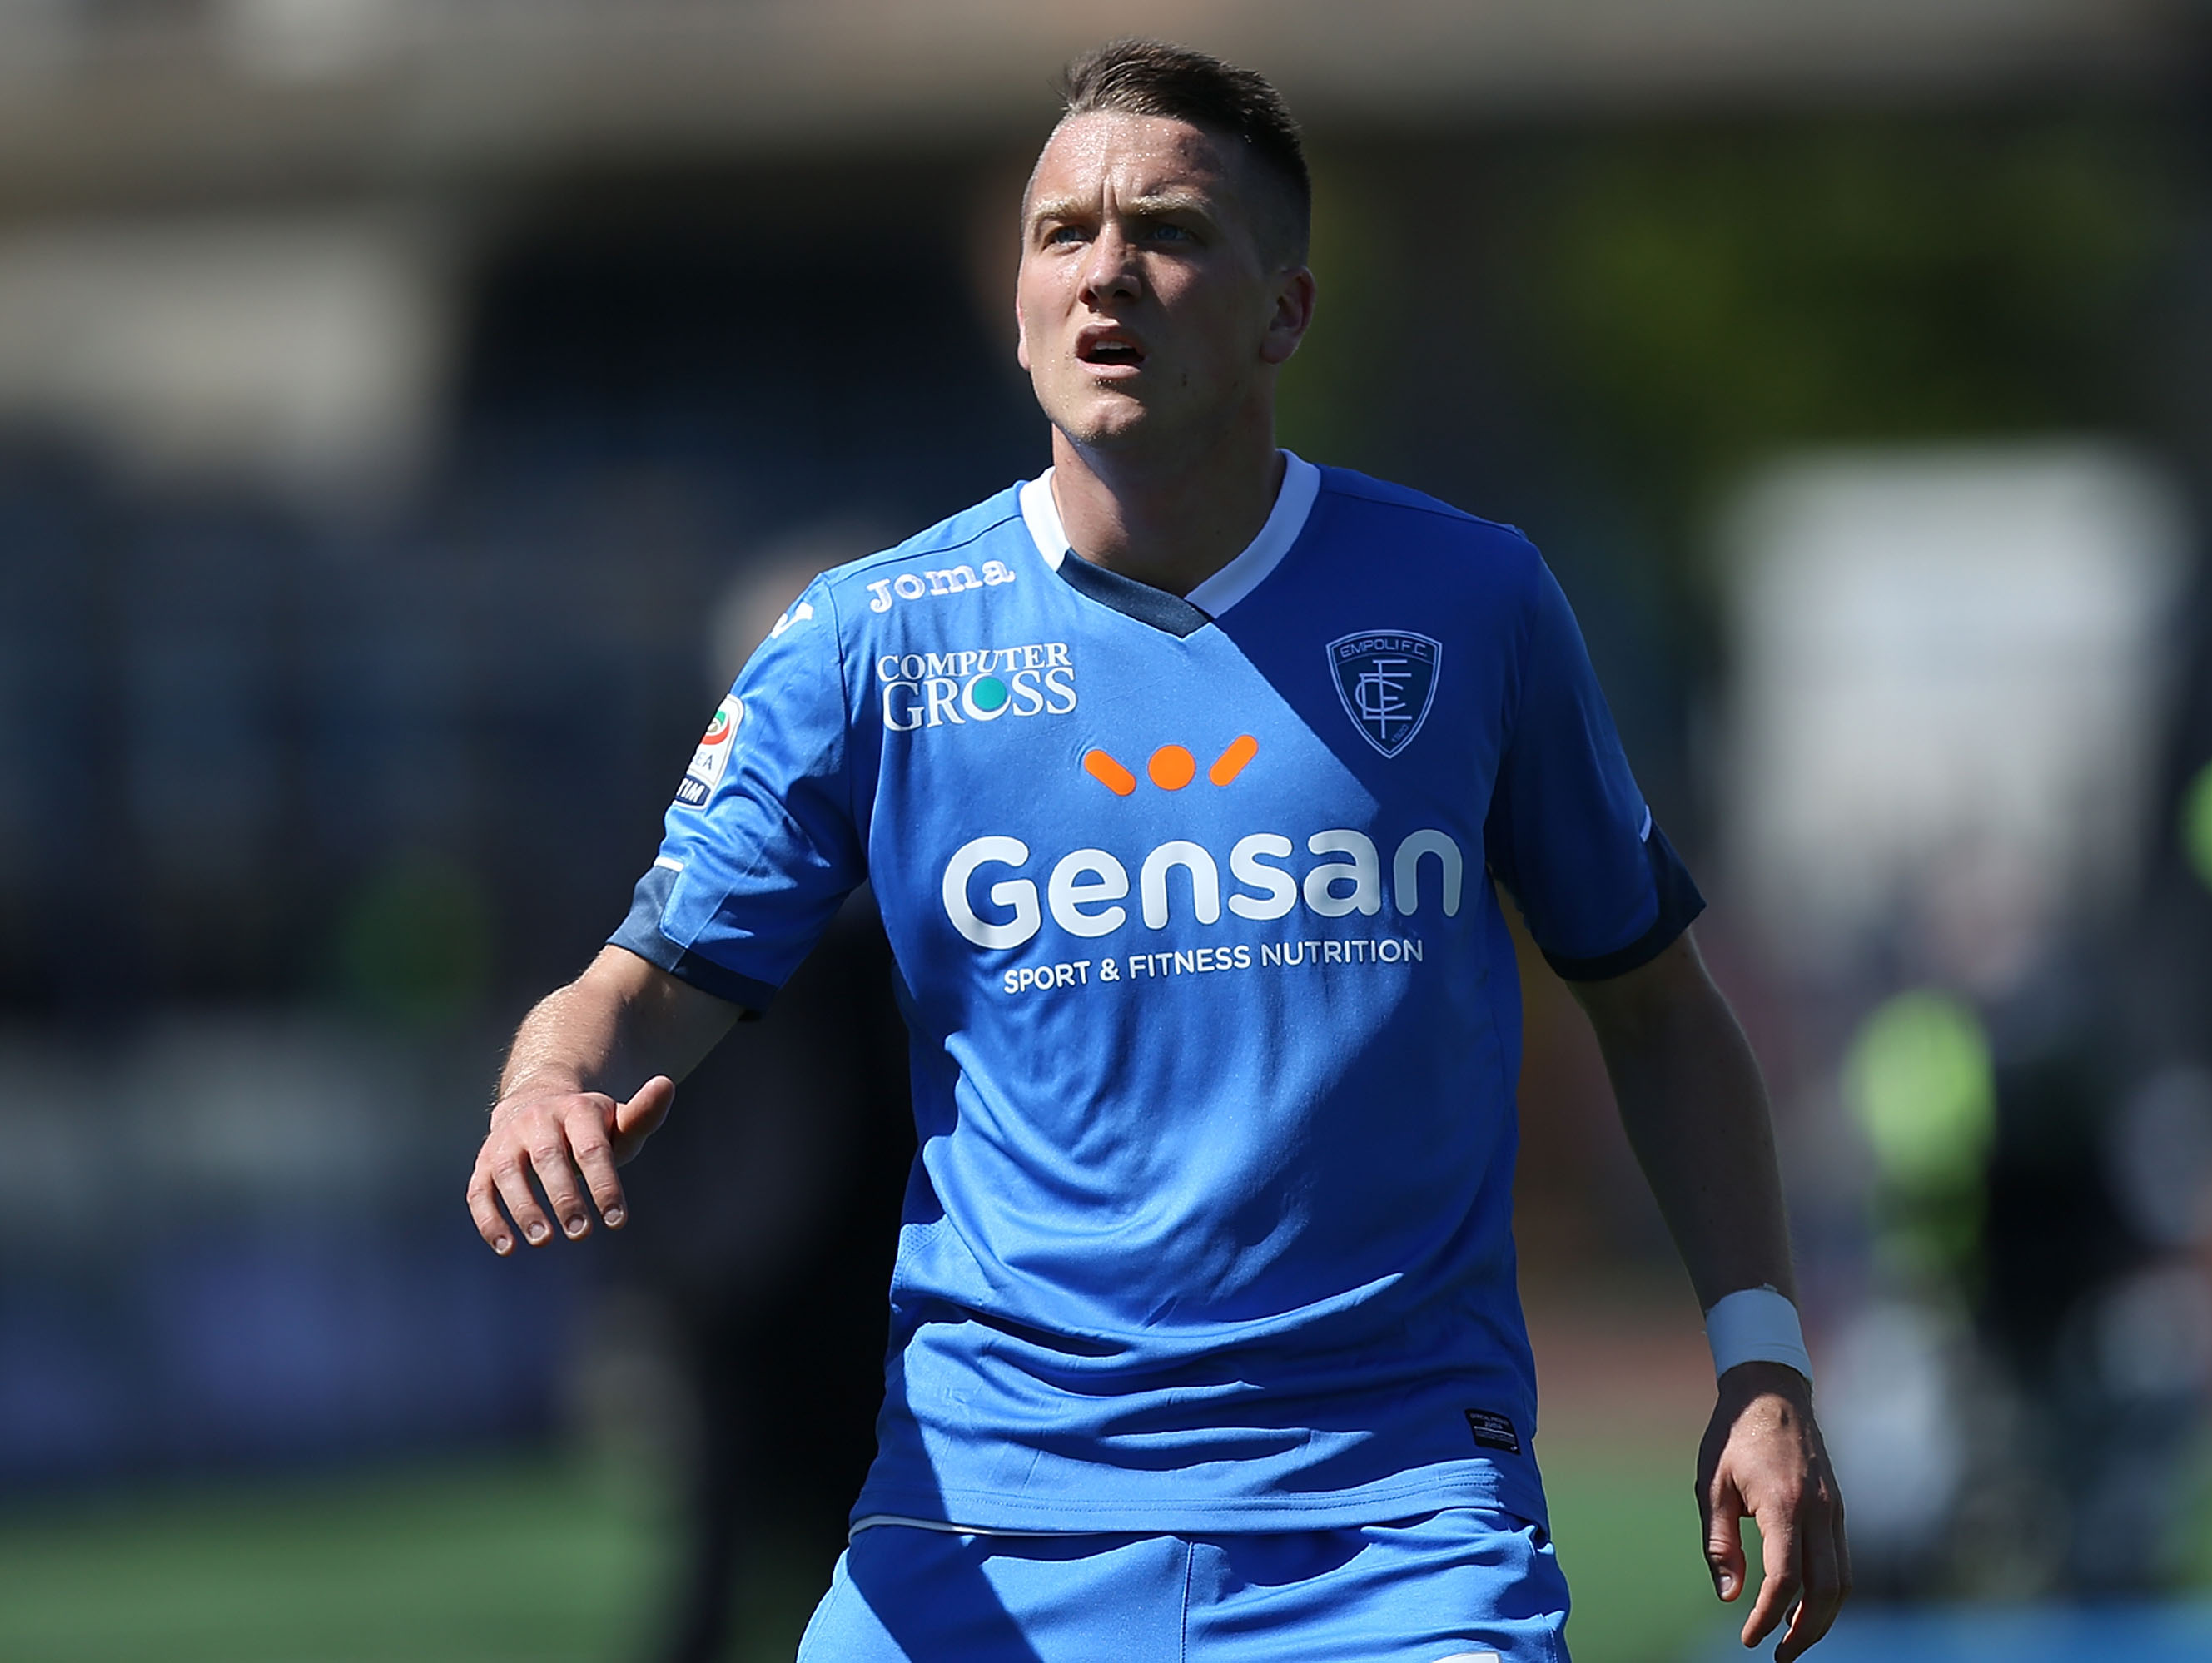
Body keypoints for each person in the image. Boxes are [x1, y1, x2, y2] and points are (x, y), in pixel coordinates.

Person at [468, 39, 1847, 1662]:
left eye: (1170, 230)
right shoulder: (869, 644)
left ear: (1284, 312)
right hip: (984, 1526)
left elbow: (1660, 1012)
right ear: (1019, 307)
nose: (1108, 269)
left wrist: (1760, 1363)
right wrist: (542, 1085)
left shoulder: (1474, 607)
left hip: (1393, 1533)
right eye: (1066, 233)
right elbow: (632, 994)